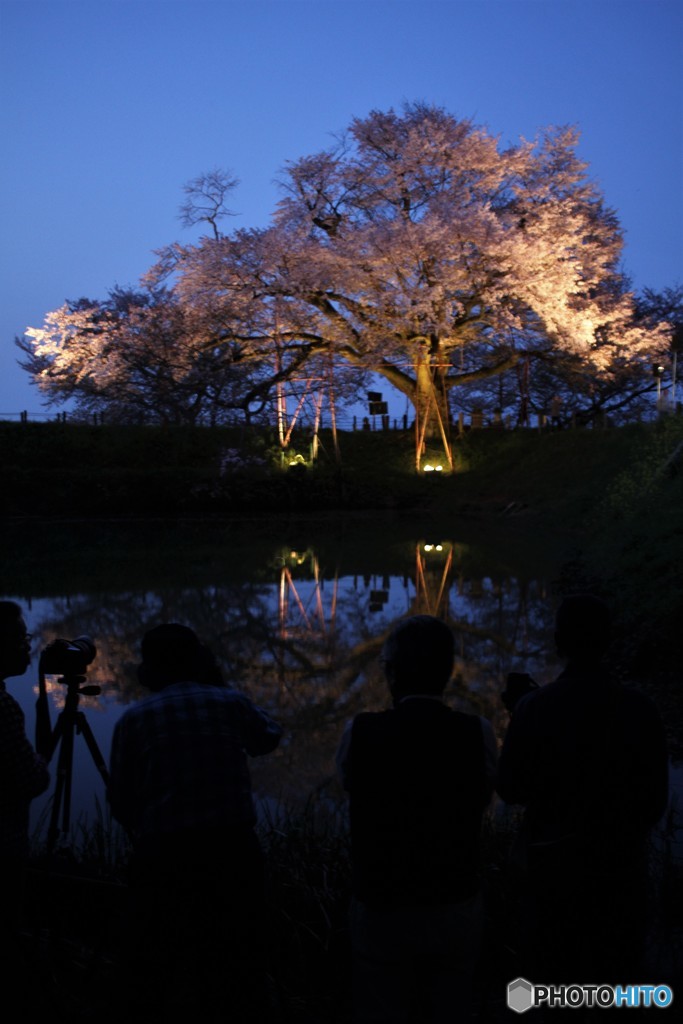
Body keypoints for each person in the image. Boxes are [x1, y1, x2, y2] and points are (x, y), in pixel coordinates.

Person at [108, 622, 282, 1021]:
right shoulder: (230, 703)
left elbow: (121, 799)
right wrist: (221, 688)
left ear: (148, 669)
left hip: (163, 858)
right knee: (237, 962)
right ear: (200, 660)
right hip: (233, 852)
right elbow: (268, 737)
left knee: (160, 964)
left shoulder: (134, 719)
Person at [496, 594, 669, 983]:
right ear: (609, 640)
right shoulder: (641, 709)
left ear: (559, 642)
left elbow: (510, 787)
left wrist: (521, 716)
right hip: (620, 874)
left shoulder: (535, 707)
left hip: (551, 877)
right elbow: (654, 802)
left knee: (552, 983)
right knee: (615, 980)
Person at [336, 615, 497, 1024]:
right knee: (451, 1006)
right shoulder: (477, 732)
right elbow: (485, 797)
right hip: (454, 899)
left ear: (391, 672)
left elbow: (350, 786)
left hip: (381, 903)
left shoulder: (360, 732)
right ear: (448, 671)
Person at [0, 601, 50, 985]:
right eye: (19, 639)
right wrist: (43, 760)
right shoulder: (2, 708)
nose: (27, 647)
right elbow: (33, 781)